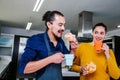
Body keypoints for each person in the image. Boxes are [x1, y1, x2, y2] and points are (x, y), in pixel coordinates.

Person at [19, 10, 78, 80]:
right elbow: (23, 68)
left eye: (64, 25)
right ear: (49, 25)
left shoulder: (61, 42)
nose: (63, 28)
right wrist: (50, 59)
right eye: (60, 25)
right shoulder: (36, 40)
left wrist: (74, 49)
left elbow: (69, 59)